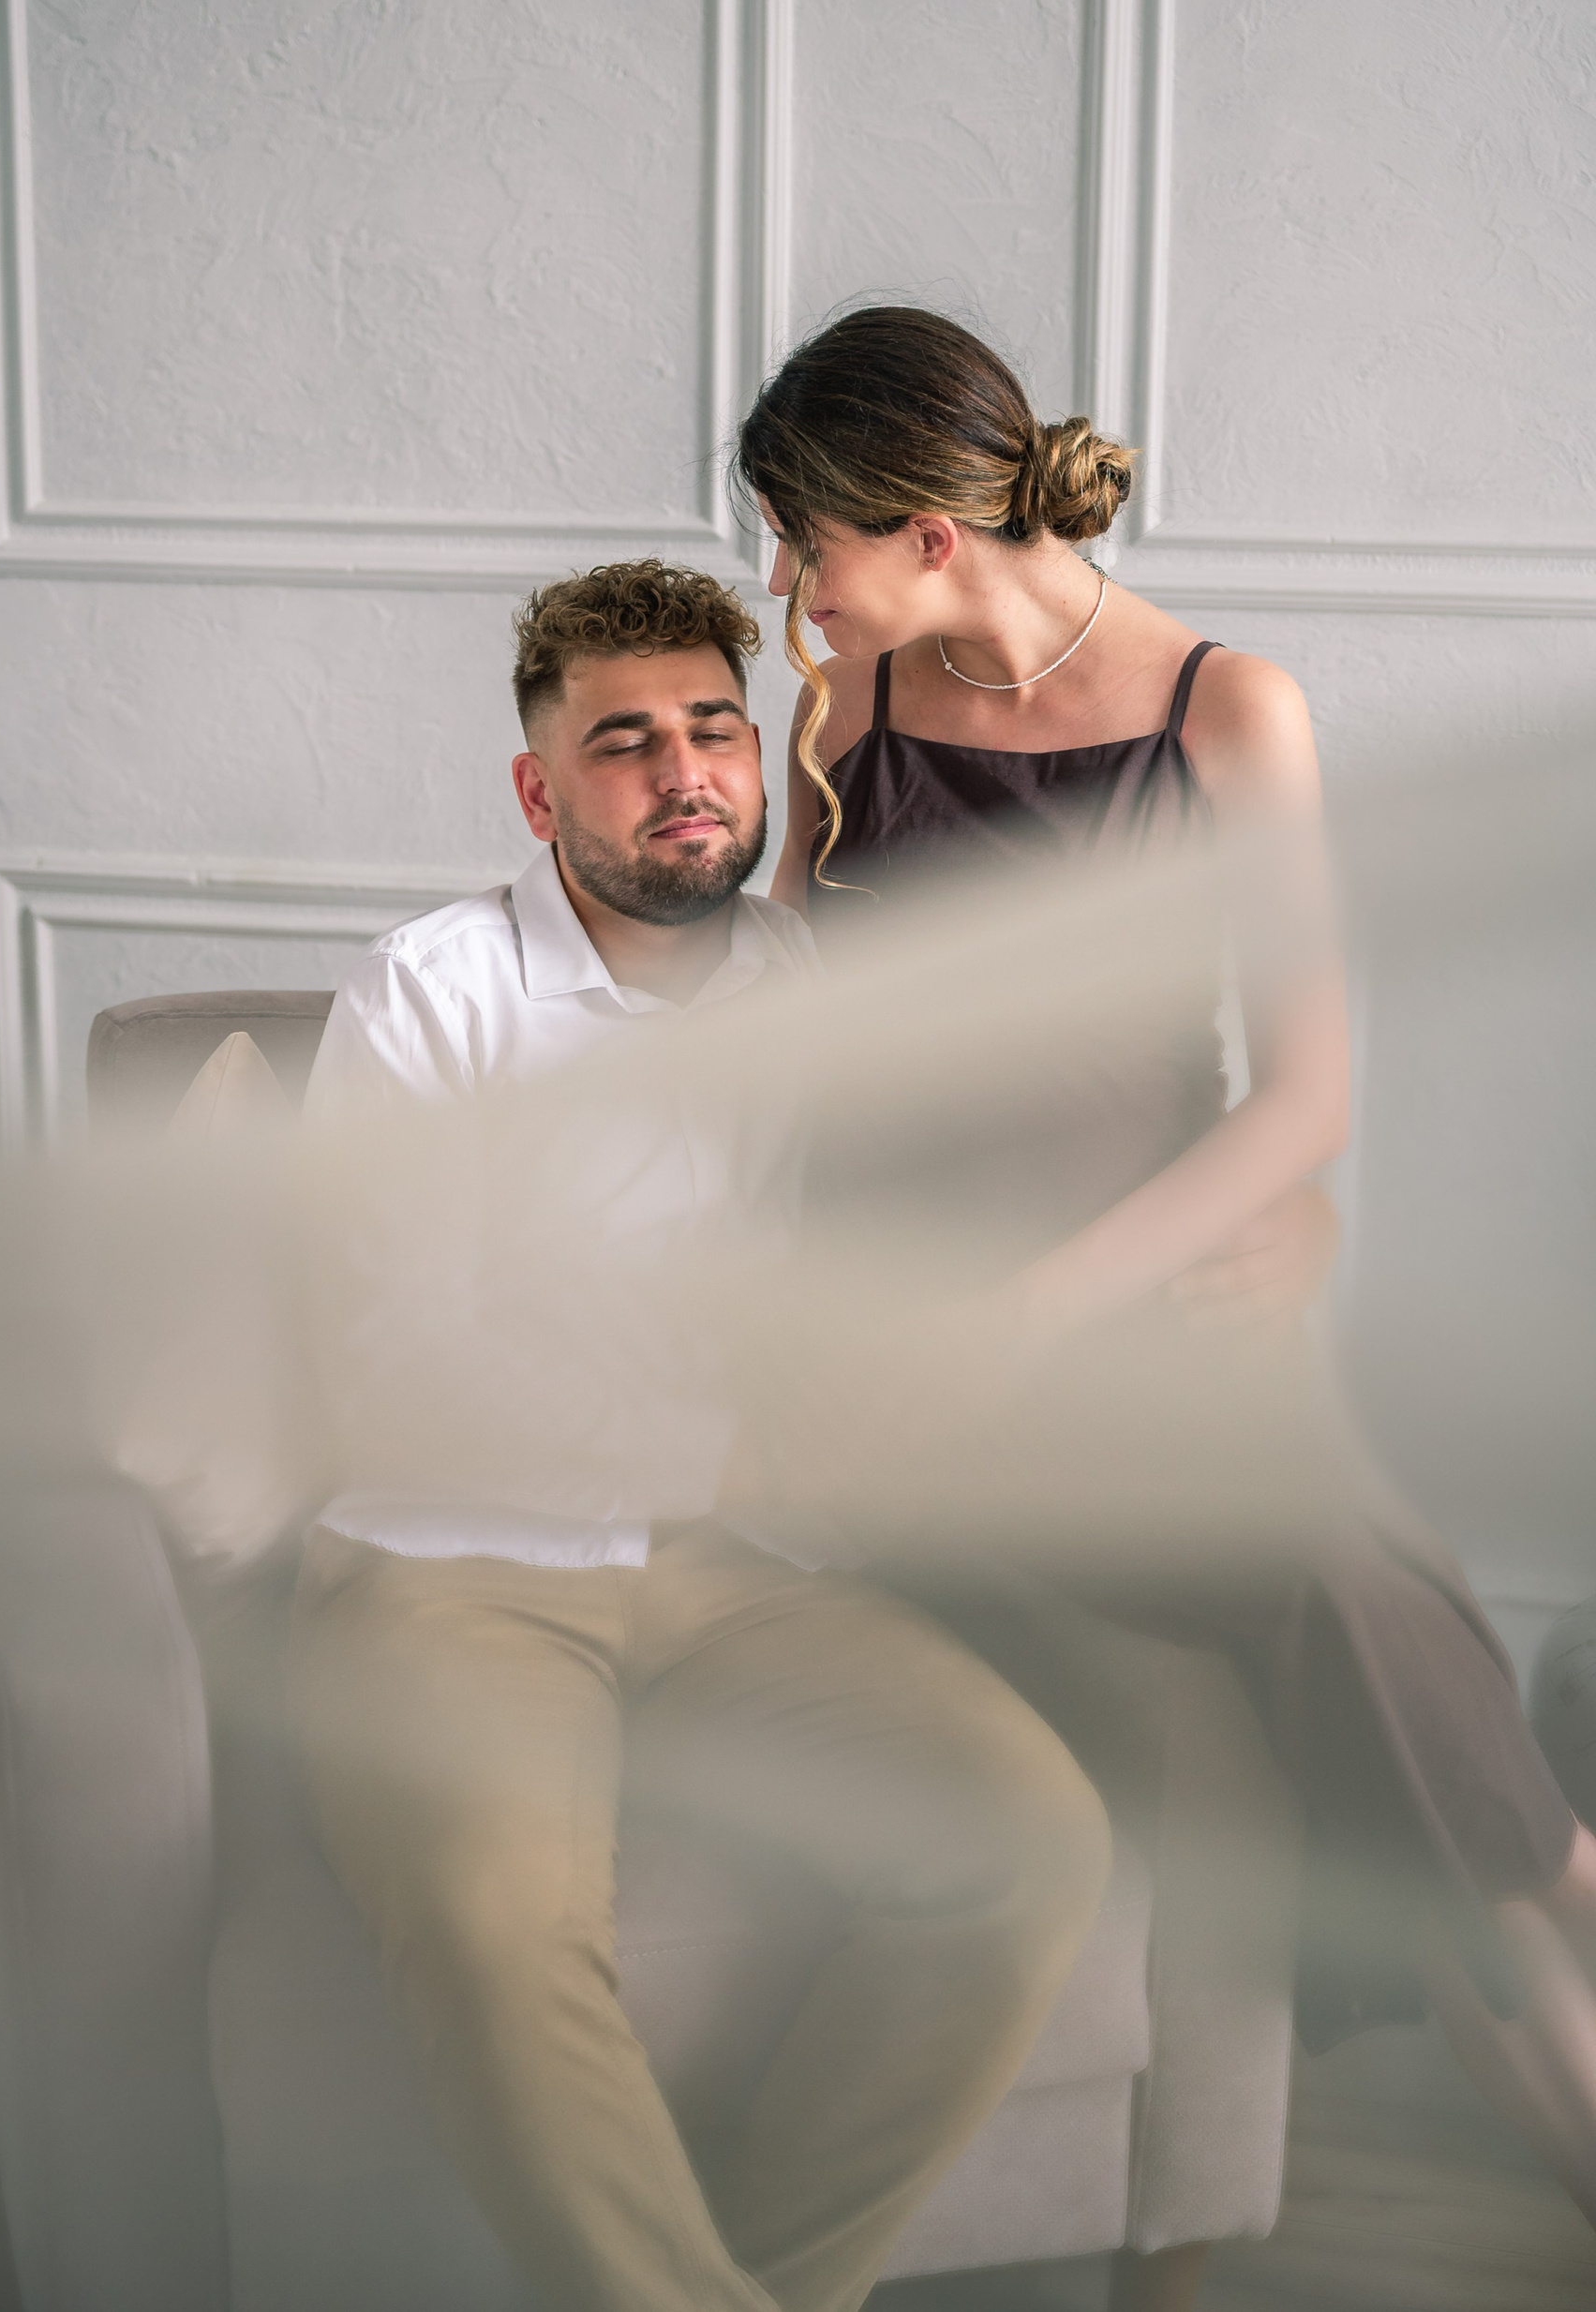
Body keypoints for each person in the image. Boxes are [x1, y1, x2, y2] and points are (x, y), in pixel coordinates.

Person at [737, 302, 1596, 2304]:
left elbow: (1307, 1097)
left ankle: (1552, 1874)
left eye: (802, 537)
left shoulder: (1228, 712)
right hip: (922, 1390)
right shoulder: (843, 711)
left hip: (1127, 1345)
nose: (780, 583)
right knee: (1378, 1677)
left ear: (925, 529)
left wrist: (1056, 1311)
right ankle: (1559, 1854)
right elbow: (782, 1039)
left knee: (1366, 1677)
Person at [291, 558, 1115, 2312]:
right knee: (499, 1929)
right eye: (624, 744)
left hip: (750, 1579)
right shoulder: (428, 994)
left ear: (759, 758)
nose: (683, 774)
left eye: (713, 731)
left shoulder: (822, 989)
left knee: (1028, 1845)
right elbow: (397, 1364)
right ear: (540, 794)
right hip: (458, 1570)